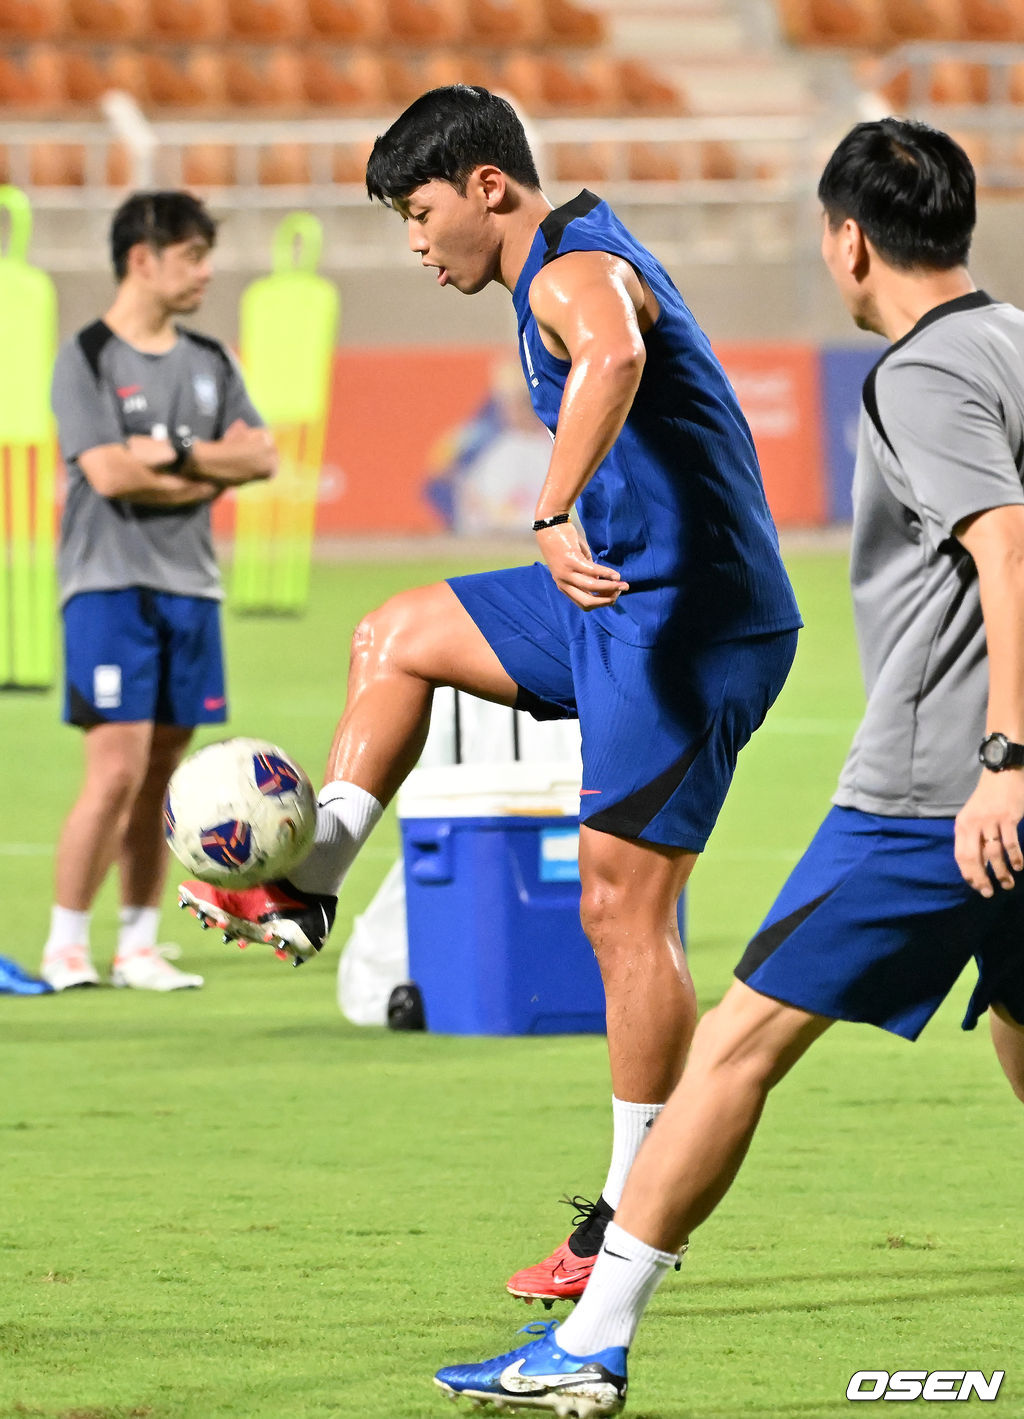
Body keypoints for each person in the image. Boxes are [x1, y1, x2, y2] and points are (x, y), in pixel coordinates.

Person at [429, 116, 1024, 1415]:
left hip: (938, 794)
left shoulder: (918, 375)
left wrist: (1003, 758)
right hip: (1000, 784)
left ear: (848, 239)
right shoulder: (1018, 340)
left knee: (734, 1046)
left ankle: (591, 1340)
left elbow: (1008, 552)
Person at [179, 86, 801, 1298]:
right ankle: (308, 888)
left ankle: (631, 1209)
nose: (414, 244)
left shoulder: (573, 271)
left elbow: (616, 349)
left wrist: (551, 506)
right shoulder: (539, 277)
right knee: (395, 636)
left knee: (622, 908)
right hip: (609, 598)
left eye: (419, 214)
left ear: (487, 189)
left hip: (693, 622)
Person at [39, 191, 277, 994]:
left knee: (165, 777)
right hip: (108, 585)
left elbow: (262, 457)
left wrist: (170, 453)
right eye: (192, 255)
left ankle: (137, 943)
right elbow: (106, 472)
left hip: (192, 589)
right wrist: (204, 467)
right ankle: (65, 943)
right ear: (144, 259)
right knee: (114, 769)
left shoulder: (210, 359)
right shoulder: (88, 355)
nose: (206, 271)